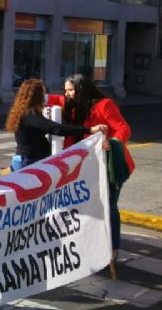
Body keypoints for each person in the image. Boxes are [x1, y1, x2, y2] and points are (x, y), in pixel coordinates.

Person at [49, 74, 134, 263]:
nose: (66, 94)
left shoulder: (104, 104)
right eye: (65, 90)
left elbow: (123, 129)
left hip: (109, 164)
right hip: (86, 166)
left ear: (80, 89)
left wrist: (111, 142)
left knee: (109, 205)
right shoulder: (73, 104)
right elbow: (49, 98)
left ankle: (112, 248)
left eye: (70, 90)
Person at [5, 79, 106, 168]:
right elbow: (57, 129)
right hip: (29, 162)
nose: (44, 97)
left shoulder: (24, 111)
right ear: (36, 97)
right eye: (43, 94)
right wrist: (90, 129)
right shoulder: (30, 115)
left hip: (28, 160)